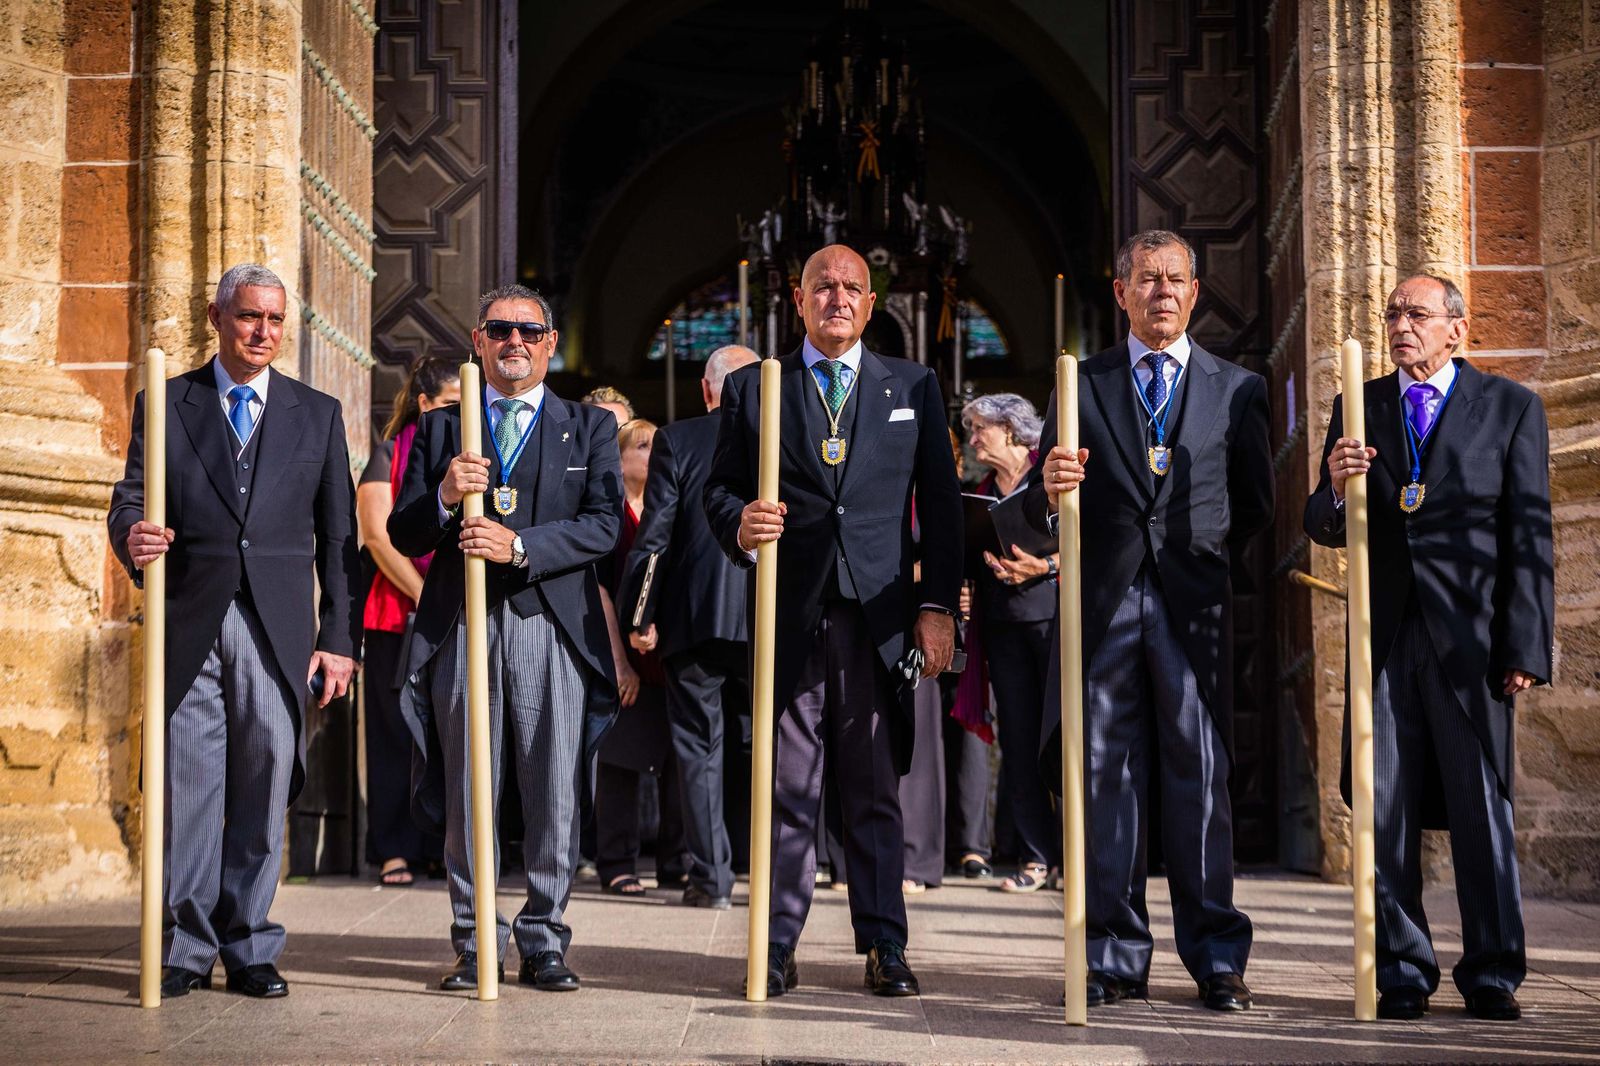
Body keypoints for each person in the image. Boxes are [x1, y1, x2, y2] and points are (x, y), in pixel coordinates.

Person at [704, 244, 963, 998]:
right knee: (786, 786)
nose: (838, 299)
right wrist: (740, 523)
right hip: (793, 609)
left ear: (871, 303)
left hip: (880, 620)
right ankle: (777, 944)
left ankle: (884, 943)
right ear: (799, 298)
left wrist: (937, 607)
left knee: (874, 784)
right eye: (824, 287)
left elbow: (942, 512)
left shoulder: (913, 385)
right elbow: (718, 492)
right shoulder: (757, 388)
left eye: (852, 288)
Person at [1032, 229, 1273, 1011]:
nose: (1162, 291)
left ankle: (1215, 958)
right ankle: (1113, 954)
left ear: (1195, 293)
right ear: (1120, 291)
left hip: (1191, 606)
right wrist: (1049, 487)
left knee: (1199, 779)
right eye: (1147, 279)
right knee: (1106, 778)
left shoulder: (1237, 388)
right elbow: (1039, 505)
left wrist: (1200, 563)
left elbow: (1256, 506)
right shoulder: (1080, 384)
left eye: (1175, 280)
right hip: (1104, 604)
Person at [1303, 273, 1553, 1022]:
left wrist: (1524, 646)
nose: (1401, 327)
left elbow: (1528, 535)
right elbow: (1319, 521)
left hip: (1473, 643)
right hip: (1387, 637)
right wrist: (1339, 489)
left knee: (1482, 809)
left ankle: (1493, 971)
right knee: (1386, 807)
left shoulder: (1511, 408)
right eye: (1392, 315)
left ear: (1457, 329)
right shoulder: (1360, 403)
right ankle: (1403, 969)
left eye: (1417, 315)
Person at [108, 263, 362, 999]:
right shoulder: (166, 401)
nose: (263, 332)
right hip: (190, 619)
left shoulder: (316, 415)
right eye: (250, 316)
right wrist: (134, 536)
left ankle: (249, 943)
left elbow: (339, 542)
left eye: (276, 320)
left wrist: (339, 637)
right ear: (215, 316)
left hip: (278, 632)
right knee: (188, 791)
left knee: (263, 785)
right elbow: (130, 497)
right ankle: (184, 948)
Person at [389, 284, 621, 994]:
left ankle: (544, 938)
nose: (514, 341)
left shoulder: (588, 428)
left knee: (553, 788)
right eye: (499, 329)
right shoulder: (440, 430)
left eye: (529, 330)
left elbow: (605, 524)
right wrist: (445, 497)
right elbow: (404, 531)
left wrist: (520, 547)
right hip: (464, 625)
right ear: (478, 340)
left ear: (550, 343)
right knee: (469, 790)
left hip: (551, 624)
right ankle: (474, 940)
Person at [619, 345, 760, 909]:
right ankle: (771, 870)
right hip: (765, 618)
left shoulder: (679, 439)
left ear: (708, 391)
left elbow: (655, 538)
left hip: (696, 618)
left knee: (700, 751)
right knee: (768, 747)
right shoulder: (779, 437)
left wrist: (640, 615)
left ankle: (711, 881)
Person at [357, 356, 458, 887]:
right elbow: (376, 535)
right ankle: (393, 848)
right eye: (448, 405)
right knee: (395, 730)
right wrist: (424, 593)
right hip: (397, 613)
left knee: (446, 733)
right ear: (423, 404)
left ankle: (442, 844)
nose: (458, 414)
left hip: (453, 615)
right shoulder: (388, 452)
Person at [962, 393, 1059, 893]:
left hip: (1053, 620)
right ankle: (1036, 858)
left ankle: (1078, 857)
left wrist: (1044, 566)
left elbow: (1092, 539)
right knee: (1018, 741)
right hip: (1000, 625)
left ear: (1012, 429)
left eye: (981, 429)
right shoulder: (979, 490)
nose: (973, 440)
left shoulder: (1051, 473)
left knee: (1064, 739)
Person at [593, 417, 685, 897]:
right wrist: (620, 662)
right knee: (622, 761)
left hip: (667, 651)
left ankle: (676, 861)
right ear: (621, 456)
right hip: (622, 654)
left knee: (678, 759)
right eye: (644, 445)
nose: (653, 453)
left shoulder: (669, 506)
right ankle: (617, 862)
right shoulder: (609, 513)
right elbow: (602, 588)